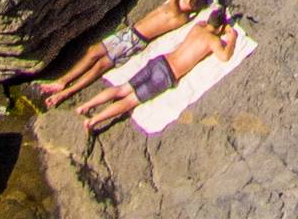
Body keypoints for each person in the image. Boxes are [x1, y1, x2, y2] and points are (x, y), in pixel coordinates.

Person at [37, 0, 213, 107]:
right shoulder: (177, 11)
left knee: (100, 65)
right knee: (93, 52)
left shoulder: (178, 14)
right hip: (130, 33)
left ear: (190, 7)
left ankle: (66, 91)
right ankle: (63, 81)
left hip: (134, 40)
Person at [69, 8, 238, 135]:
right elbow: (224, 57)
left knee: (122, 89)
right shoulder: (213, 41)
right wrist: (232, 38)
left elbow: (208, 23)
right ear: (221, 27)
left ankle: (85, 106)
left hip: (159, 61)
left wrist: (220, 26)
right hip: (166, 75)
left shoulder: (198, 27)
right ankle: (93, 121)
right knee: (129, 101)